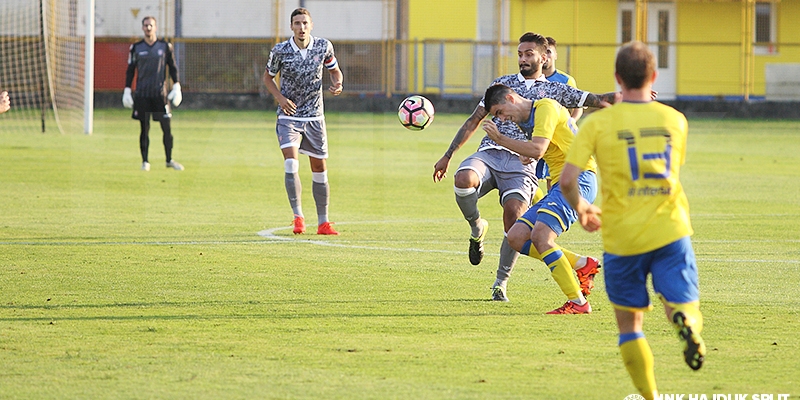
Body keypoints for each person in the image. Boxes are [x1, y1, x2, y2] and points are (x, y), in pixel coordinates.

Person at [560, 41, 705, 399]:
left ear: (617, 79)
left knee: (630, 325)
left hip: (622, 237)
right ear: (654, 76)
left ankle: (650, 395)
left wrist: (583, 209)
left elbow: (566, 180)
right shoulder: (675, 120)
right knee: (682, 303)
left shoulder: (599, 124)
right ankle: (685, 324)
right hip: (670, 228)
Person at [433, 32, 616, 302]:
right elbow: (474, 120)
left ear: (544, 57)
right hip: (491, 153)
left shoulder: (555, 91)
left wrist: (634, 94)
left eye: (528, 54)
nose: (523, 59)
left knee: (515, 224)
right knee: (464, 179)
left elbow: (597, 99)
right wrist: (449, 154)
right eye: (519, 54)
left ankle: (501, 283)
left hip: (525, 163)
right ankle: (476, 227)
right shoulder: (502, 85)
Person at [482, 84, 601, 314]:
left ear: (510, 98)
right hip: (560, 183)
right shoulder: (528, 120)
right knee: (516, 236)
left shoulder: (545, 107)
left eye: (499, 112)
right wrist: (529, 156)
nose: (502, 119)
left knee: (541, 236)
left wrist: (501, 140)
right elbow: (550, 148)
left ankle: (578, 303)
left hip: (578, 179)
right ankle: (581, 264)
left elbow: (537, 149)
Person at [263, 8, 343, 236]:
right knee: (291, 161)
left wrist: (338, 83)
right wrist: (280, 98)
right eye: (297, 23)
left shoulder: (323, 46)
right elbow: (267, 77)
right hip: (289, 116)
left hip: (315, 116)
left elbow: (336, 71)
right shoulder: (280, 50)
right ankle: (298, 217)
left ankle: (323, 222)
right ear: (291, 27)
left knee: (319, 169)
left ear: (311, 25)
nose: (301, 27)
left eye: (305, 23)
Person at [124, 16, 183, 172]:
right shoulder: (136, 48)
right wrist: (127, 90)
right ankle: (145, 161)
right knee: (144, 128)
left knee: (167, 128)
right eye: (145, 26)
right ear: (142, 28)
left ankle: (169, 159)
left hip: (160, 95)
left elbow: (173, 67)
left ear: (156, 27)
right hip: (142, 94)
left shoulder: (165, 47)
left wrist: (176, 86)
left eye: (151, 25)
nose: (148, 28)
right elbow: (130, 70)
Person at [543, 36, 583, 121]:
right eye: (542, 52)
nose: (545, 56)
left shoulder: (566, 80)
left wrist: (570, 122)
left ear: (555, 56)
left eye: (548, 52)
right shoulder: (530, 79)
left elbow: (578, 107)